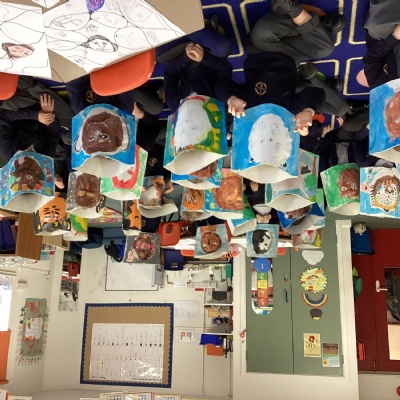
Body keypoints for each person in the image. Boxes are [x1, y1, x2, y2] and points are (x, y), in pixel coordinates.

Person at [215, 0, 346, 136]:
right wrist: (308, 111)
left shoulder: (247, 108)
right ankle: (309, 21)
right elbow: (317, 93)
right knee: (325, 48)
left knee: (265, 29)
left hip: (261, 49)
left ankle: (310, 21)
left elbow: (220, 85)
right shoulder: (288, 112)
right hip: (291, 57)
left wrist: (230, 98)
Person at [66, 76, 163, 152]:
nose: (99, 133)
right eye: (104, 136)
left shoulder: (81, 109)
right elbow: (125, 79)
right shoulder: (125, 110)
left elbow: (73, 80)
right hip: (116, 74)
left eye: (93, 138)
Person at [0, 94, 60, 162]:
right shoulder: (45, 159)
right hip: (45, 113)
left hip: (19, 110)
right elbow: (53, 134)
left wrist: (36, 115)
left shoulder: (7, 151)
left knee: (40, 97)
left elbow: (2, 116)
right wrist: (48, 117)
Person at [363, 0, 400, 89]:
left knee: (377, 27)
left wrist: (394, 37)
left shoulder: (382, 90)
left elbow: (371, 59)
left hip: (388, 40)